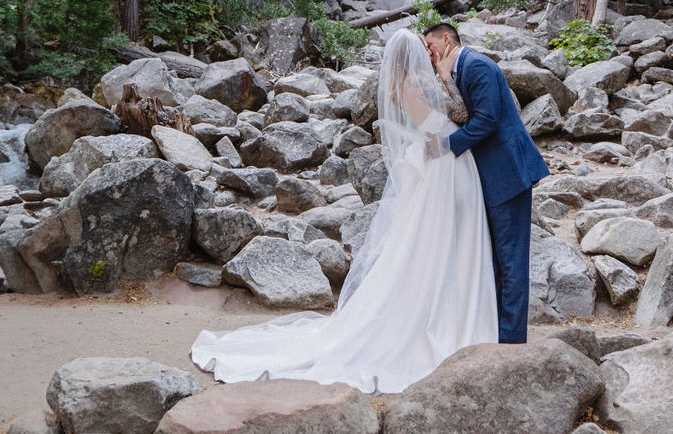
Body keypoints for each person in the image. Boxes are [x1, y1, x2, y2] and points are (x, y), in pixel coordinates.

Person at [189, 28, 498, 394]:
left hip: (446, 168)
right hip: (442, 168)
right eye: (423, 51)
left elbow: (453, 119)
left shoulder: (413, 88)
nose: (429, 56)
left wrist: (445, 87)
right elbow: (438, 132)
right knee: (431, 247)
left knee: (439, 246)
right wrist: (446, 88)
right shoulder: (413, 91)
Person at [422, 21, 549, 343]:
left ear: (446, 39)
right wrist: (444, 79)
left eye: (430, 46)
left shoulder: (477, 66)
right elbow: (462, 114)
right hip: (489, 176)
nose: (428, 53)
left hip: (507, 172)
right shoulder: (457, 70)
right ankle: (494, 331)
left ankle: (511, 340)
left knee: (510, 260)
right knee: (493, 258)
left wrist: (446, 147)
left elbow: (487, 121)